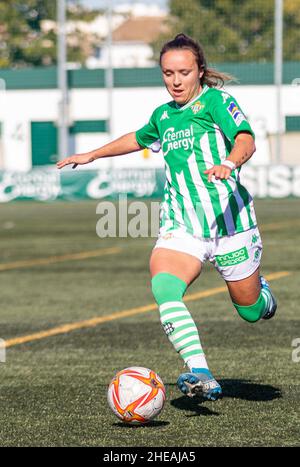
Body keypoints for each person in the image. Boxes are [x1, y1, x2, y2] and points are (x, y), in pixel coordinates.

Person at [57, 33, 277, 402]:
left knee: (253, 312)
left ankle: (263, 295)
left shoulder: (217, 102)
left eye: (184, 72)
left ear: (200, 71)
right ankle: (201, 371)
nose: (175, 81)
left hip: (231, 226)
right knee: (164, 287)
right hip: (182, 227)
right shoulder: (163, 116)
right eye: (168, 73)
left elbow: (245, 139)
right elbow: (138, 138)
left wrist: (228, 162)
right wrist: (92, 154)